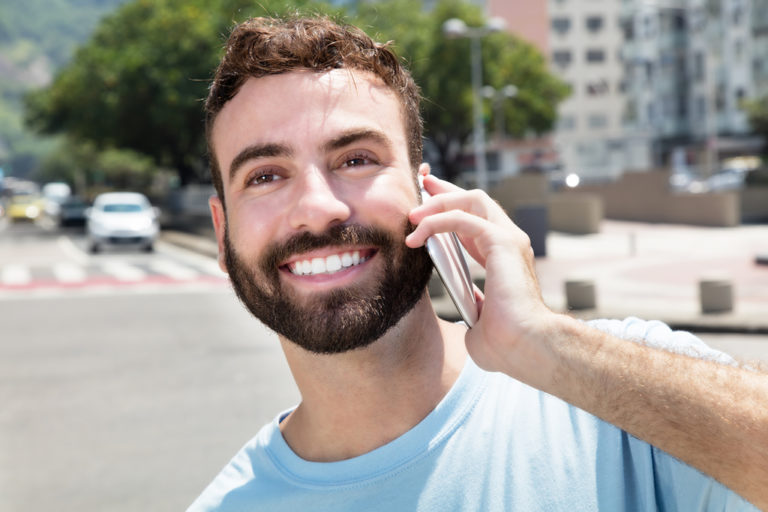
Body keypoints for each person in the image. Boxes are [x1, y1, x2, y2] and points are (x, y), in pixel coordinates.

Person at [189, 15, 767, 511]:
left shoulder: (618, 398)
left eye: (357, 158)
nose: (318, 209)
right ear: (222, 232)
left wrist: (545, 346)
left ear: (429, 195)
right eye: (264, 176)